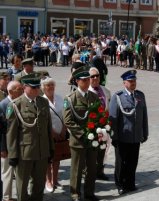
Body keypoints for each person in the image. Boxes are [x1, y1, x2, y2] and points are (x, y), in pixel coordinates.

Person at [6, 73, 54, 201]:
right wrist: (13, 155)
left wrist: (50, 148)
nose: (37, 90)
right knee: (22, 185)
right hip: (24, 153)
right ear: (24, 87)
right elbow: (11, 133)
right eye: (33, 87)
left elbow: (48, 127)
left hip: (42, 151)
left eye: (38, 87)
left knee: (39, 185)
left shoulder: (43, 102)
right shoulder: (16, 105)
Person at [63, 66, 100, 201]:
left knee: (91, 169)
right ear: (77, 81)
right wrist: (83, 134)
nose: (87, 82)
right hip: (78, 140)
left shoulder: (94, 96)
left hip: (92, 139)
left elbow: (99, 116)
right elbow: (68, 121)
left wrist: (98, 131)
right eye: (83, 80)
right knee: (77, 170)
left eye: (88, 79)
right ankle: (75, 194)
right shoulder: (70, 98)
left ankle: (89, 193)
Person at [109, 70, 148, 195]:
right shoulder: (118, 97)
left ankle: (130, 183)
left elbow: (144, 116)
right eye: (130, 81)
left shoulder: (140, 96)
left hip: (135, 136)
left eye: (134, 81)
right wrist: (114, 136)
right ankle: (120, 184)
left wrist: (145, 132)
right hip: (122, 136)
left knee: (133, 161)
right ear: (124, 83)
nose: (133, 83)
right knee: (121, 162)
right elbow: (113, 118)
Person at [41, 77, 66, 193]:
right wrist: (52, 132)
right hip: (48, 135)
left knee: (57, 158)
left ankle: (55, 180)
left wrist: (64, 130)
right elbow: (42, 120)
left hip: (61, 134)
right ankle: (48, 180)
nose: (50, 87)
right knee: (48, 159)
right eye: (48, 85)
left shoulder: (60, 98)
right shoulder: (41, 100)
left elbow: (65, 116)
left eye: (52, 85)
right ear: (43, 88)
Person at [0, 80, 23, 201]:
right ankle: (6, 197)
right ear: (10, 91)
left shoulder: (19, 102)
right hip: (7, 146)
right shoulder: (3, 105)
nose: (22, 91)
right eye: (19, 90)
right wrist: (2, 148)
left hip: (19, 144)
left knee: (19, 171)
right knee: (7, 172)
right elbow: (1, 130)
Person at [88, 67, 111, 180]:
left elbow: (108, 108)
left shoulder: (105, 90)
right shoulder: (86, 92)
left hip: (103, 126)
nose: (95, 78)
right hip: (91, 127)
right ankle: (88, 172)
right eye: (92, 76)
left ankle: (100, 171)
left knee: (103, 150)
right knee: (91, 152)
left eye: (97, 75)